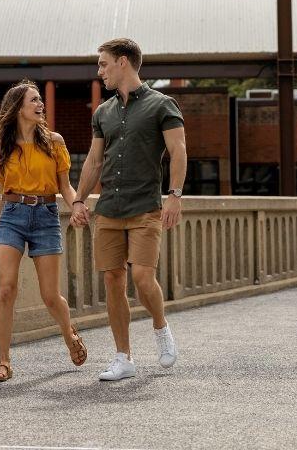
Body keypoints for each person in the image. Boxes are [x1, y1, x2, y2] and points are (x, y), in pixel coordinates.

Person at [72, 38, 186, 382]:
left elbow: (178, 151)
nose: (100, 71)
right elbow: (94, 160)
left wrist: (175, 195)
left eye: (104, 64)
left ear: (123, 62)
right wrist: (79, 200)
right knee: (112, 279)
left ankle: (161, 327)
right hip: (109, 209)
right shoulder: (102, 112)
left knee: (141, 277)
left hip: (145, 207)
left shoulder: (162, 104)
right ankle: (124, 358)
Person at [0, 80, 87, 382]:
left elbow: (64, 185)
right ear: (18, 107)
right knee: (6, 289)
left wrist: (77, 205)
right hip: (12, 217)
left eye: (40, 99)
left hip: (45, 216)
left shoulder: (54, 142)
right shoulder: (1, 147)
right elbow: (1, 191)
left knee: (49, 296)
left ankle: (69, 334)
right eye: (34, 100)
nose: (40, 104)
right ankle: (3, 361)